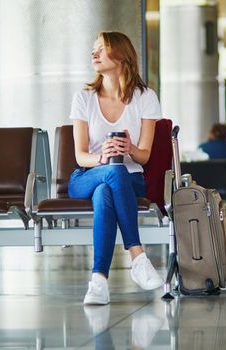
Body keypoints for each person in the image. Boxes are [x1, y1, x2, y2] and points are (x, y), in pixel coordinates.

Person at [68, 31, 163, 305]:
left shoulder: (145, 97)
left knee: (105, 193)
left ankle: (98, 281)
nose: (94, 53)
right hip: (87, 175)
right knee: (111, 173)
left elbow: (143, 157)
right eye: (93, 49)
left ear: (121, 55)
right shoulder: (84, 98)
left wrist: (129, 149)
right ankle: (137, 255)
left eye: (101, 49)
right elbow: (80, 156)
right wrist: (102, 157)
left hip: (129, 179)